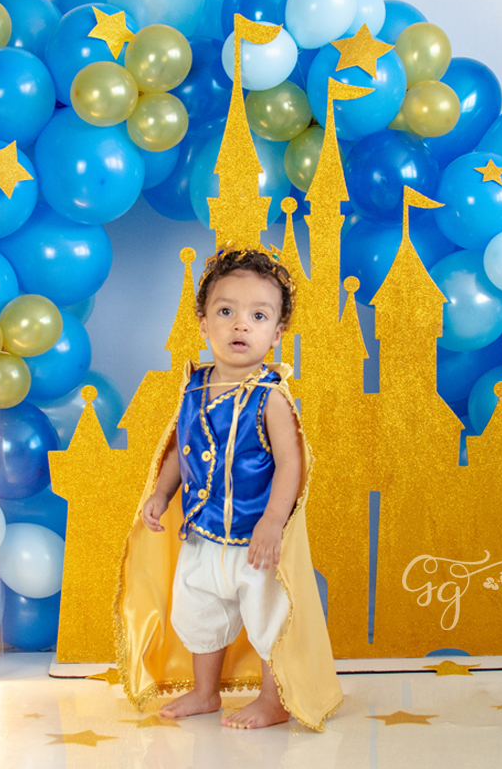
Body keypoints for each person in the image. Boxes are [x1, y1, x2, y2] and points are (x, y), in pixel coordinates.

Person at [116, 248, 342, 731]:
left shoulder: (270, 397)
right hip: (203, 535)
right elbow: (179, 450)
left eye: (258, 316)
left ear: (276, 333)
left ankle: (274, 699)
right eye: (226, 311)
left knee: (269, 616)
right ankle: (205, 691)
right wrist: (161, 495)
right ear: (203, 324)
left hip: (255, 540)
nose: (241, 324)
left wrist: (273, 522)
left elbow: (291, 464)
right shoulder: (193, 388)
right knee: (199, 613)